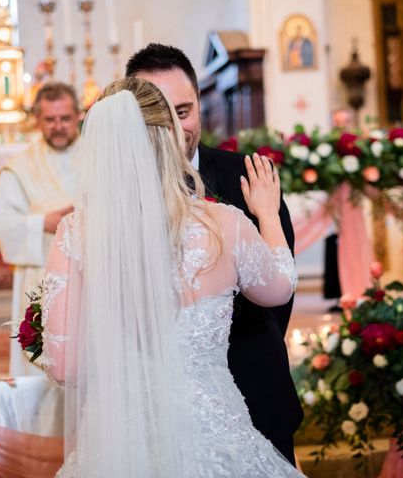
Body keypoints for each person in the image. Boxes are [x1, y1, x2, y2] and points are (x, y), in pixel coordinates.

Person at [42, 77, 303, 476]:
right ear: (171, 138)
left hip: (119, 444)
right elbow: (279, 290)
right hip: (216, 437)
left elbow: (64, 368)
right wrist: (267, 215)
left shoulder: (75, 234)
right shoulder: (225, 224)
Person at [124, 43, 303, 464]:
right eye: (161, 114)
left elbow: (280, 288)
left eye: (184, 112)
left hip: (254, 379)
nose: (176, 128)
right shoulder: (121, 190)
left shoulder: (247, 175)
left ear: (200, 105)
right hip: (156, 396)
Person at [0, 82, 79, 376]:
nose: (58, 126)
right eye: (50, 119)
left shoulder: (99, 155)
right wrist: (43, 223)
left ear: (78, 116)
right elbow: (1, 219)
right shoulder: (20, 166)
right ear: (37, 120)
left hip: (90, 271)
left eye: (65, 118)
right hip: (41, 276)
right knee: (42, 365)